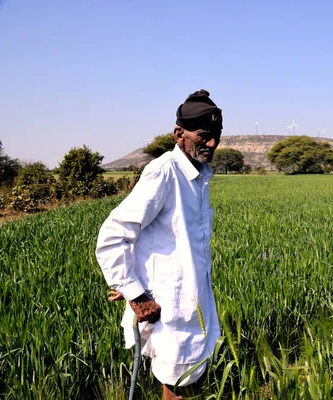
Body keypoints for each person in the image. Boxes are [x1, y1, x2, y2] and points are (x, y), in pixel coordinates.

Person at [96, 89, 222, 399]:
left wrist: (133, 279)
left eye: (217, 135)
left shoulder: (199, 174)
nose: (213, 143)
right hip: (170, 307)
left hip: (194, 302)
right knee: (178, 387)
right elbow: (113, 236)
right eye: (204, 135)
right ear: (179, 134)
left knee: (188, 381)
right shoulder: (164, 173)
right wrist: (136, 296)